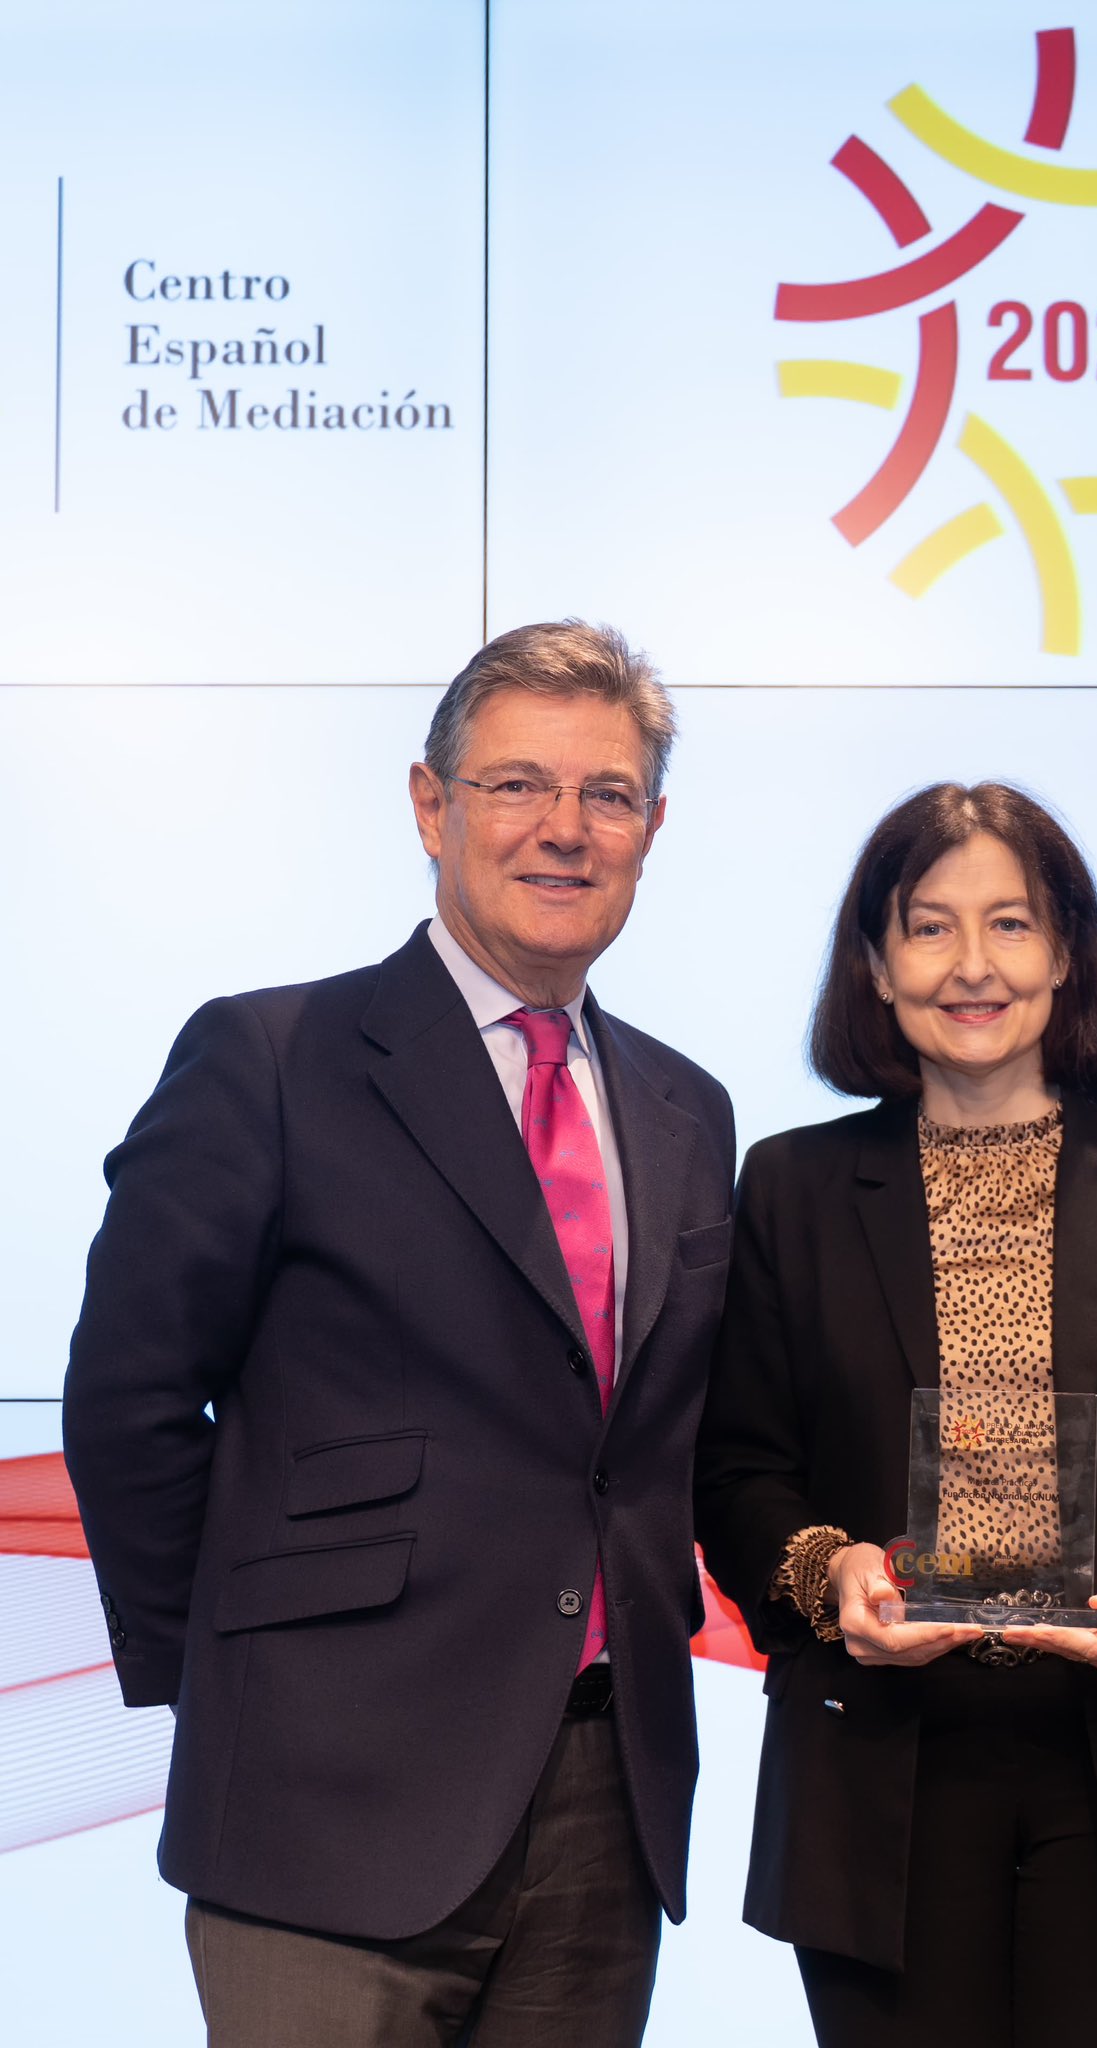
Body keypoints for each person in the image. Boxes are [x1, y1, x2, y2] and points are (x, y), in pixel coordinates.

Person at [62, 621, 735, 2048]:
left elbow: (659, 1444)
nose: (565, 828)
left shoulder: (687, 1109)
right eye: (517, 784)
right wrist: (237, 1687)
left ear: (654, 829)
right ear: (432, 805)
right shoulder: (269, 1059)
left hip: (603, 1805)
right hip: (320, 1801)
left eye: (608, 794)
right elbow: (129, 1401)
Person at [696, 781, 1097, 2048]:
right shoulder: (791, 1184)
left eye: (1011, 923)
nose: (972, 965)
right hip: (877, 1769)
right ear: (875, 962)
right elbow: (737, 1464)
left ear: (1066, 953)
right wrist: (832, 1570)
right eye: (928, 926)